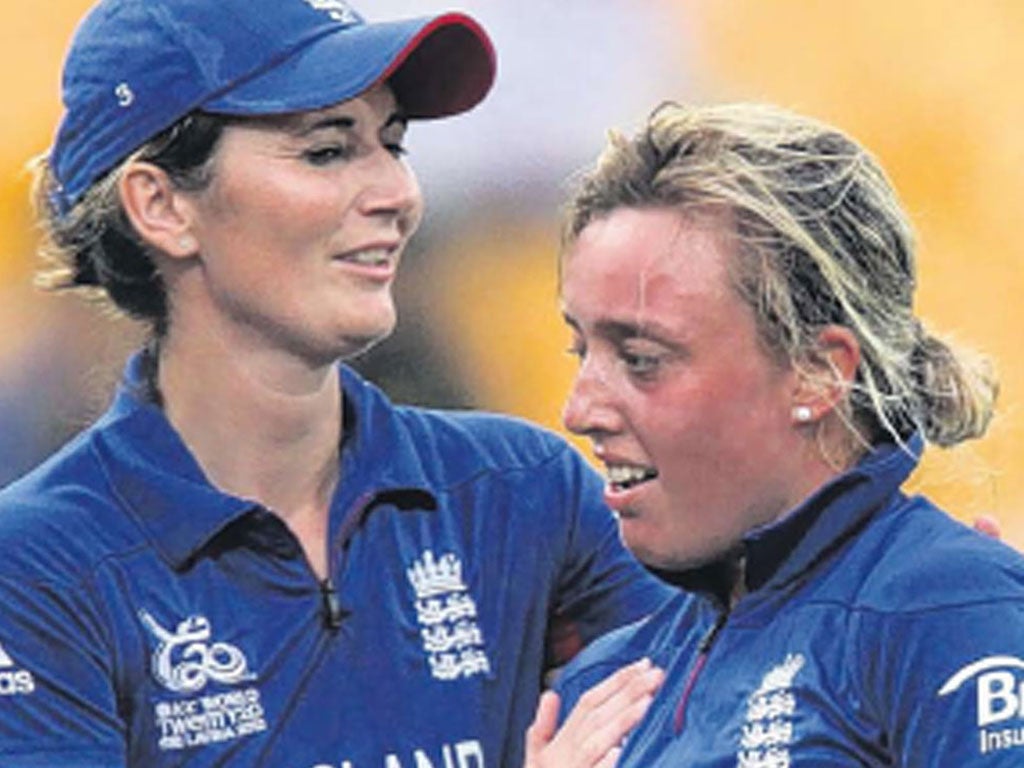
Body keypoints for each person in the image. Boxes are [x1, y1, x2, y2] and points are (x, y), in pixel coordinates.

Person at [0, 1, 673, 766]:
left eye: (393, 144)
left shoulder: (525, 493)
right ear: (161, 205)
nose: (398, 193)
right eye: (326, 152)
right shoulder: (35, 565)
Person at [524, 101, 1024, 766]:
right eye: (580, 351)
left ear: (817, 373)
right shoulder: (603, 688)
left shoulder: (943, 609)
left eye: (641, 359)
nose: (579, 410)